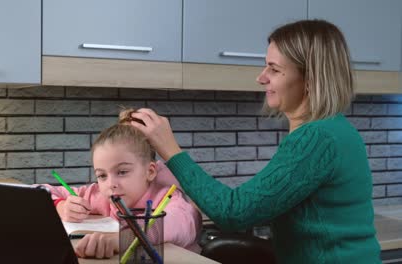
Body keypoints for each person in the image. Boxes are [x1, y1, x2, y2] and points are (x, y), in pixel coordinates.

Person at [130, 19, 381, 263]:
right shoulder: (337, 129)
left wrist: (170, 150)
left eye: (274, 69)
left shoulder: (316, 137)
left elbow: (233, 212)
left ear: (310, 79)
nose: (261, 78)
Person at [42, 109, 201, 259]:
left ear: (150, 171)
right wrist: (61, 206)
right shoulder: (100, 194)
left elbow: (175, 224)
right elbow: (40, 192)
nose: (111, 184)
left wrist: (119, 240)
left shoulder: (170, 198)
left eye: (122, 172)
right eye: (102, 175)